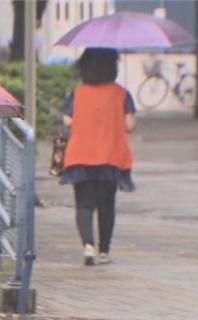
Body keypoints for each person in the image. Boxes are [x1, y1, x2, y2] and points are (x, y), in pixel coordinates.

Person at [61, 48, 136, 266]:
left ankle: (88, 246)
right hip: (110, 156)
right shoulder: (121, 93)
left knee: (84, 204)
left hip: (80, 156)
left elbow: (67, 120)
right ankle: (104, 251)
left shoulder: (78, 92)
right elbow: (130, 124)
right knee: (106, 204)